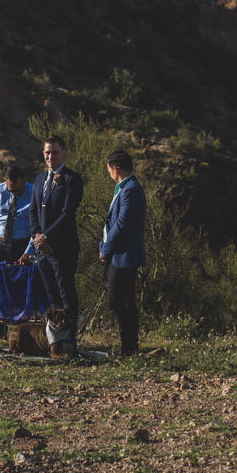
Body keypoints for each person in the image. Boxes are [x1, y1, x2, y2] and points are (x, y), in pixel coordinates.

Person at [30, 136, 83, 337]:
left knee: (66, 294)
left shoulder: (72, 179)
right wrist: (37, 237)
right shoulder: (38, 179)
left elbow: (67, 213)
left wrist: (46, 237)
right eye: (47, 152)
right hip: (42, 250)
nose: (50, 156)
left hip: (62, 248)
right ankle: (55, 339)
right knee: (52, 297)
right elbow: (33, 210)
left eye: (55, 152)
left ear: (64, 153)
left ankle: (70, 339)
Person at [98, 150, 146, 357]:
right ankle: (128, 345)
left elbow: (122, 223)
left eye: (109, 169)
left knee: (119, 300)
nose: (108, 173)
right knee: (122, 299)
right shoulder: (124, 188)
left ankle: (129, 345)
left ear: (115, 168)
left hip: (124, 254)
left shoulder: (131, 189)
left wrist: (107, 248)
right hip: (119, 253)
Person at [0, 164, 34, 262]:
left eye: (19, 190)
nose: (15, 193)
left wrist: (28, 252)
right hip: (0, 245)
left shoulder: (34, 193)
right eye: (11, 191)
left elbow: (39, 225)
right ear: (5, 180)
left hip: (25, 245)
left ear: (24, 179)